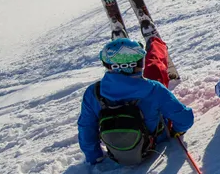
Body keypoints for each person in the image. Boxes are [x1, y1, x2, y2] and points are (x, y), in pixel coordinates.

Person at [78, 36, 194, 166]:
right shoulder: (153, 89)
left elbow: (86, 127)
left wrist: (93, 155)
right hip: (153, 144)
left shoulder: (93, 92)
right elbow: (185, 118)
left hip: (116, 149)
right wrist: (176, 131)